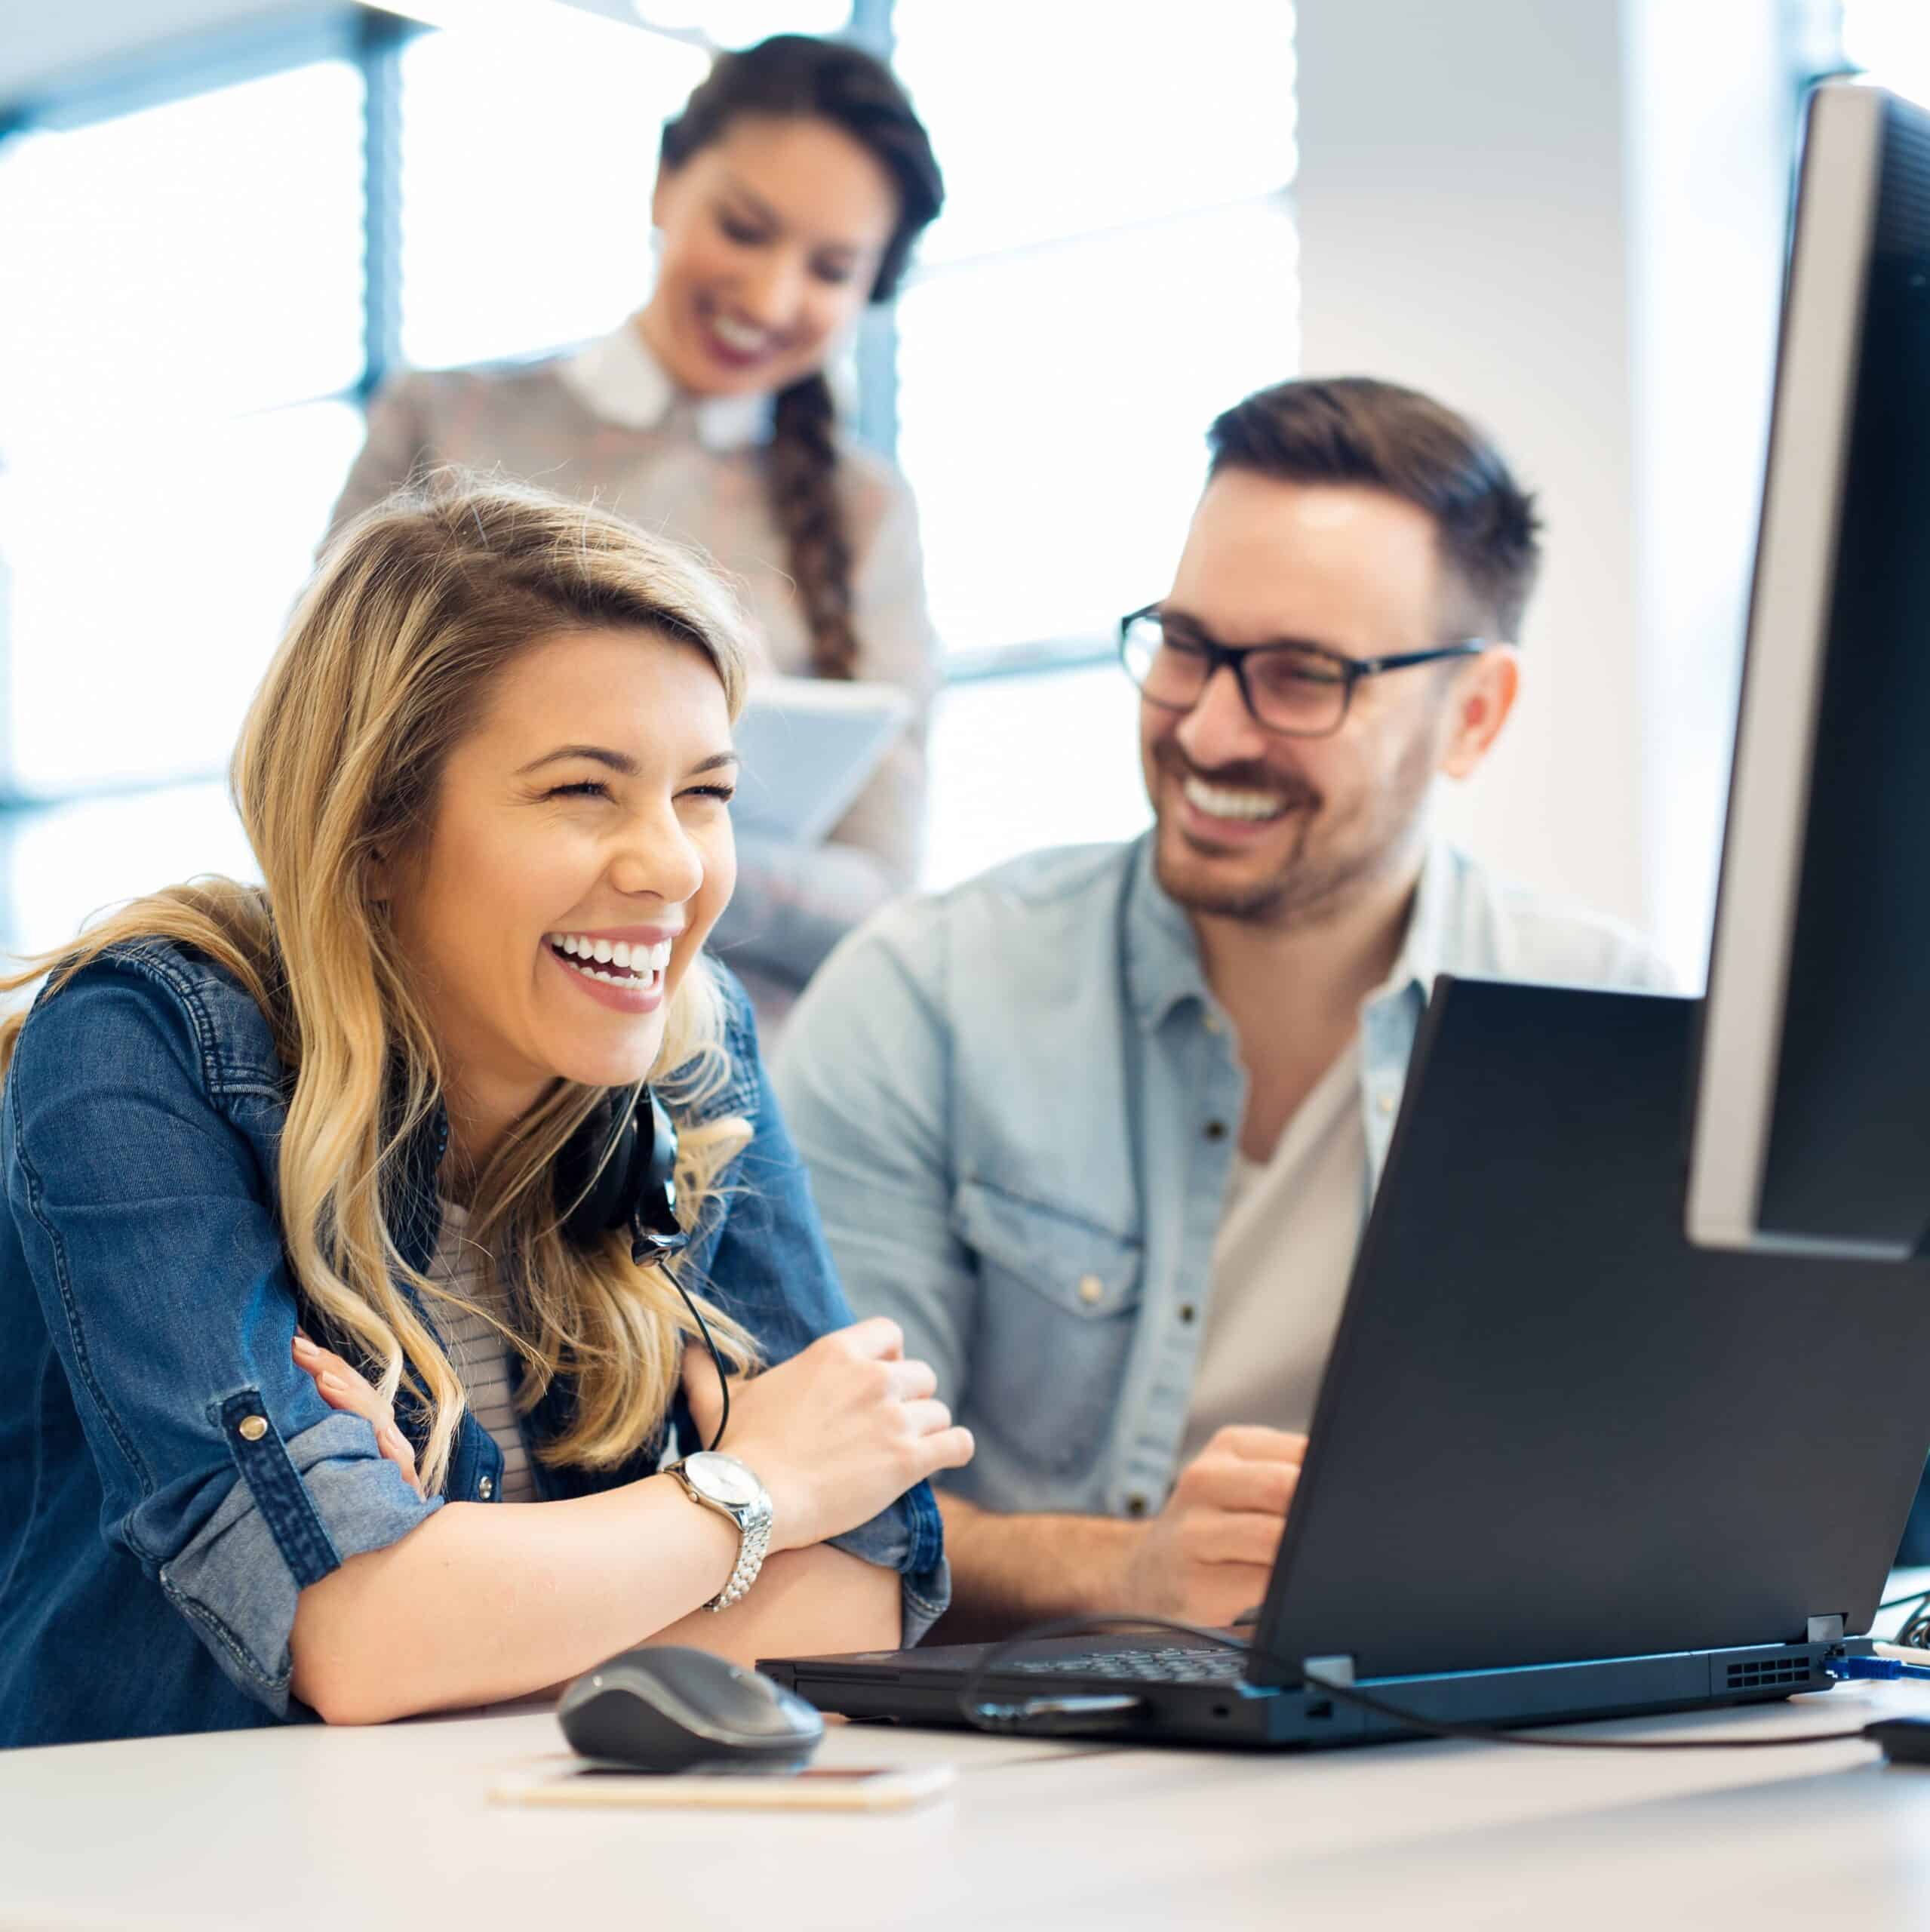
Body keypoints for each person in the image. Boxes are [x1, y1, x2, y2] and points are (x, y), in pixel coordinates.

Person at [0, 478, 970, 1750]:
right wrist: (754, 1489)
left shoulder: (691, 1047)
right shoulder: (143, 1046)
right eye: (584, 791)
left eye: (705, 793)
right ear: (378, 831)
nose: (673, 865)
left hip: (523, 1846)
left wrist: (459, 1594)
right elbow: (354, 1640)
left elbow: (855, 1598)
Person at [773, 376, 1673, 1641]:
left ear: (1471, 715)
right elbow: (819, 1510)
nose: (1206, 727)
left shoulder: (1621, 1031)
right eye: (1187, 646)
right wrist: (1129, 1571)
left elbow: (1686, 1513)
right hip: (1031, 1778)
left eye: (1301, 676)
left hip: (1464, 1753)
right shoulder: (924, 996)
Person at [330, 34, 945, 1028]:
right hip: (435, 1037)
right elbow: (317, 761)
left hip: (728, 1080)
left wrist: (644, 841)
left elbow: (879, 893)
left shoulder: (866, 514)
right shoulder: (446, 425)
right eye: (744, 229)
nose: (771, 296)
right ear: (665, 183)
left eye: (830, 270)